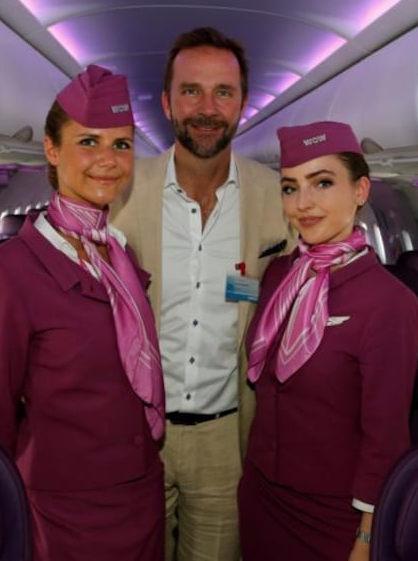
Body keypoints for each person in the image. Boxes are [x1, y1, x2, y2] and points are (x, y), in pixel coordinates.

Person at [0, 65, 165, 561]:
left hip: (140, 496)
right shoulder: (6, 273)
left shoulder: (119, 254)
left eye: (121, 145)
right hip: (62, 513)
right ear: (51, 151)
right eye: (88, 142)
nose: (108, 161)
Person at [110, 27, 293, 561]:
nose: (208, 108)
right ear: (167, 103)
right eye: (192, 91)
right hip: (135, 434)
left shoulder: (277, 198)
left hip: (227, 440)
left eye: (224, 92)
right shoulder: (120, 192)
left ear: (243, 104)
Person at [238, 121, 418, 560]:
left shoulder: (389, 303)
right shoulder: (280, 274)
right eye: (290, 188)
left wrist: (366, 536)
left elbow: (387, 434)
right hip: (261, 498)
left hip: (334, 517)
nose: (303, 204)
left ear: (360, 190)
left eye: (322, 183)